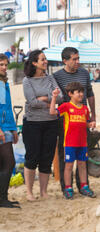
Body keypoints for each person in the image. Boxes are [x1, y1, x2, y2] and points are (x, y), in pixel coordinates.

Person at [53, 47, 96, 195]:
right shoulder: (57, 76)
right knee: (65, 158)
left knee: (83, 156)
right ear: (65, 60)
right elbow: (57, 99)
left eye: (78, 58)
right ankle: (67, 187)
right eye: (74, 59)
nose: (78, 62)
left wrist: (93, 115)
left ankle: (84, 186)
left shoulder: (84, 73)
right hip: (67, 119)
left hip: (83, 115)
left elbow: (90, 93)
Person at [22, 49, 62, 201]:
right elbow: (32, 102)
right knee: (32, 157)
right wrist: (50, 99)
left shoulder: (50, 78)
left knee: (47, 157)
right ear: (34, 63)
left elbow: (61, 97)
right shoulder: (27, 81)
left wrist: (44, 98)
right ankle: (29, 192)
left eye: (45, 59)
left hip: (51, 123)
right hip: (32, 123)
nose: (45, 61)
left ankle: (43, 192)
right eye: (42, 59)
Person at [50, 82, 96, 199]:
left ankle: (84, 186)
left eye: (82, 92)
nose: (81, 94)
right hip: (70, 143)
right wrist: (54, 97)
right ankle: (68, 188)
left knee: (82, 165)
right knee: (68, 166)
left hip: (82, 143)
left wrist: (90, 124)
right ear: (70, 94)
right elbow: (52, 112)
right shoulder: (66, 106)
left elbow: (84, 123)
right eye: (78, 92)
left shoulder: (85, 109)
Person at [0, 53, 20, 209]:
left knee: (4, 163)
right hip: (1, 129)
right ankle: (2, 199)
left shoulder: (4, 83)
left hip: (7, 127)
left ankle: (3, 197)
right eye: (1, 65)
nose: (4, 67)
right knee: (9, 162)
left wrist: (13, 129)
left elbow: (7, 107)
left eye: (6, 65)